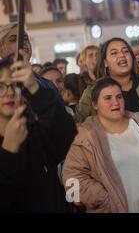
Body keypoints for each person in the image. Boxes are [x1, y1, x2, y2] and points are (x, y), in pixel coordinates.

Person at [63, 77, 139, 213]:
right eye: (107, 98)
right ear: (95, 104)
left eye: (119, 97)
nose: (115, 102)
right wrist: (102, 199)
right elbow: (71, 177)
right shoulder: (85, 137)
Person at [0, 55, 77, 212]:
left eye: (15, 85)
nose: (9, 92)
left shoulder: (35, 129)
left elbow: (67, 136)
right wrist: (8, 150)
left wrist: (35, 88)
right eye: (0, 86)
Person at [75, 38, 139, 124]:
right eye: (114, 53)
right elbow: (78, 125)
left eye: (126, 51)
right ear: (105, 62)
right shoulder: (92, 92)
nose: (122, 55)